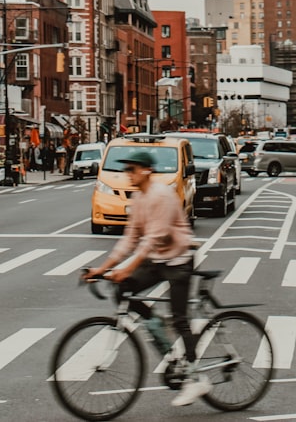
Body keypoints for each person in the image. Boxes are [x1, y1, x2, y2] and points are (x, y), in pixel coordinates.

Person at [83, 150, 210, 407]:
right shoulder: (139, 198)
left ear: (146, 171)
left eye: (131, 169)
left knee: (180, 319)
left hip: (178, 259)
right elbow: (130, 238)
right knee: (122, 290)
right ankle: (155, 323)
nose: (127, 174)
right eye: (126, 169)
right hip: (157, 259)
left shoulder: (161, 195)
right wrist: (103, 268)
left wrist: (127, 269)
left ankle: (196, 379)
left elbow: (153, 238)